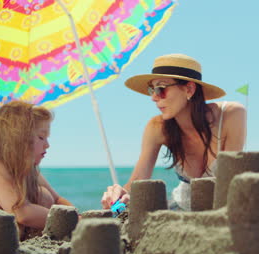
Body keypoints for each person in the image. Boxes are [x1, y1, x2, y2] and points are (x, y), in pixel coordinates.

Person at [101, 53, 246, 211]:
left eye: (160, 89)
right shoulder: (157, 127)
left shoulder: (231, 114)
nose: (154, 98)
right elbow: (137, 182)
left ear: (189, 89)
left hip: (225, 210)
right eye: (152, 90)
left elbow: (231, 180)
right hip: (180, 209)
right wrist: (120, 195)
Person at [0, 101, 74, 240]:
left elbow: (57, 199)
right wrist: (70, 221)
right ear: (18, 138)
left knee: (44, 195)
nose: (47, 145)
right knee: (40, 198)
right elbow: (23, 213)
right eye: (41, 137)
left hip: (19, 237)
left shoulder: (29, 169)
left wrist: (77, 215)